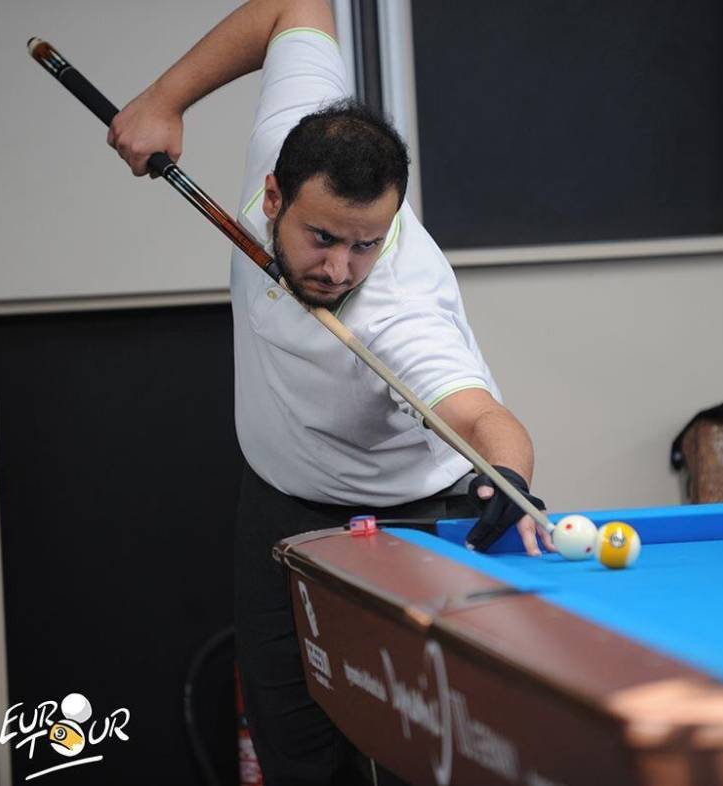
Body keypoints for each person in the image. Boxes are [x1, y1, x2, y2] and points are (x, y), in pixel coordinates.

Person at [107, 1, 551, 783]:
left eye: (366, 244)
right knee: (293, 749)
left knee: (420, 755)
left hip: (411, 517)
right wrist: (164, 99)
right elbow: (295, 6)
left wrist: (509, 477)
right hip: (279, 504)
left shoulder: (400, 314)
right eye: (323, 239)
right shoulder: (293, 140)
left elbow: (483, 417)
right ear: (273, 196)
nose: (341, 269)